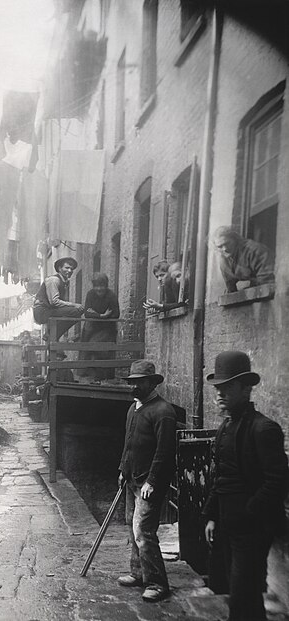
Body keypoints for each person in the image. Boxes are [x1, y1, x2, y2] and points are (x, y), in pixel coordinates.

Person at [203, 351, 288, 621]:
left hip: (253, 529)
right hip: (229, 525)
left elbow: (278, 481)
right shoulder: (225, 428)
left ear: (246, 389)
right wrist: (213, 516)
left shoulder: (264, 429)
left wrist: (249, 512)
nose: (220, 394)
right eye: (218, 388)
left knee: (242, 595)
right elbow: (221, 478)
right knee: (238, 593)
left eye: (227, 388)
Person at [117, 360, 177, 603]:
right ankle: (138, 572)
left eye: (139, 383)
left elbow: (164, 452)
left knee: (143, 531)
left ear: (152, 383)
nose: (134, 387)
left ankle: (157, 583)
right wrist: (123, 469)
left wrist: (152, 481)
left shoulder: (163, 412)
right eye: (132, 382)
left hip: (149, 483)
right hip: (132, 477)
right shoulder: (134, 409)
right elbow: (128, 443)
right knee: (133, 526)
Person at [80, 273, 120, 381]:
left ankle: (103, 378)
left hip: (106, 329)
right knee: (86, 349)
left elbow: (116, 313)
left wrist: (98, 316)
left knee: (100, 350)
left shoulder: (111, 296)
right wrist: (101, 315)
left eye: (102, 286)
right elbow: (87, 312)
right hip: (92, 328)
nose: (99, 289)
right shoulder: (90, 294)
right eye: (96, 286)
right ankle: (87, 376)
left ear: (106, 286)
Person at [33, 257, 84, 340]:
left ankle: (51, 335)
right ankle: (51, 335)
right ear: (60, 268)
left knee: (76, 312)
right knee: (77, 311)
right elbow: (54, 302)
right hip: (41, 311)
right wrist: (73, 305)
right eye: (67, 268)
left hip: (48, 310)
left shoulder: (63, 282)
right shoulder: (54, 280)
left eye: (72, 269)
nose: (70, 271)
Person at [212, 226, 274, 293]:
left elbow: (267, 284)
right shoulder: (224, 261)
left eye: (227, 243)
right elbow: (231, 289)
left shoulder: (255, 251)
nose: (225, 249)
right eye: (220, 246)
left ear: (235, 239)